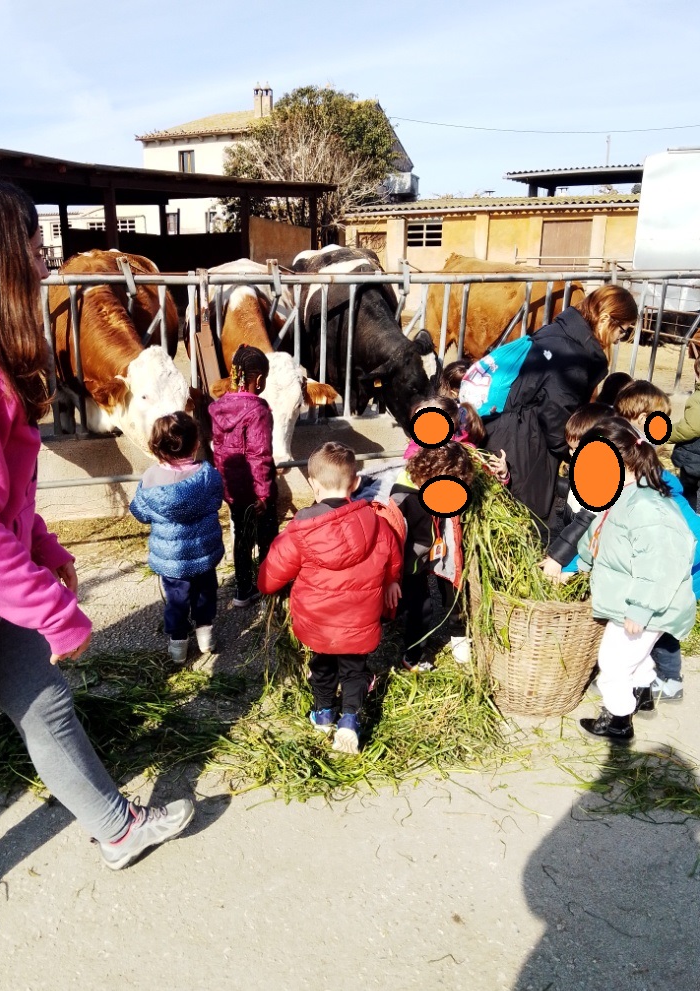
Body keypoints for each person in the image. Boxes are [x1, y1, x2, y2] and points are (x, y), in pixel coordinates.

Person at [0, 174, 194, 963]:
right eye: (32, 243)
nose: (46, 259)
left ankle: (116, 828)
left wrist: (46, 550)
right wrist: (53, 611)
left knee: (46, 703)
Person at [257, 442, 402, 754]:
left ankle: (323, 713)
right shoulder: (377, 524)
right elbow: (393, 556)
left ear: (313, 484)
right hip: (360, 621)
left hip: (318, 624)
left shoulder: (299, 531)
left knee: (322, 666)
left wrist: (266, 584)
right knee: (354, 670)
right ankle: (349, 719)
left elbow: (270, 578)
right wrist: (392, 581)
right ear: (355, 483)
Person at [576, 419, 696, 744]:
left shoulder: (647, 506)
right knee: (635, 655)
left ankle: (618, 721)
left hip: (647, 603)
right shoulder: (622, 495)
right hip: (632, 597)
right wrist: (580, 564)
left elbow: (662, 563)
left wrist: (641, 609)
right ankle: (642, 694)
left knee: (613, 662)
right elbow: (599, 535)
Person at [484, 285, 638, 529]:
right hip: (525, 444)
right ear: (606, 319)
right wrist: (576, 451)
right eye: (624, 330)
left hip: (507, 429)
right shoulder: (572, 355)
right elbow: (556, 416)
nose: (621, 338)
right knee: (525, 519)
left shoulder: (559, 332)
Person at [614, 379, 700, 701]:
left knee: (653, 620)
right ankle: (655, 677)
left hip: (680, 560)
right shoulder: (643, 460)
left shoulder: (645, 473)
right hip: (675, 557)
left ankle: (662, 680)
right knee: (654, 620)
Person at [130, 412, 224, 663]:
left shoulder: (150, 478)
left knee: (176, 599)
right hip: (203, 552)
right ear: (196, 444)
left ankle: (178, 646)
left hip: (171, 560)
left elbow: (140, 513)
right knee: (205, 593)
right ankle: (205, 637)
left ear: (155, 447)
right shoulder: (208, 475)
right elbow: (216, 501)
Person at [390, 443, 475, 671]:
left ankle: (412, 649)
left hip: (419, 563)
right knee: (417, 610)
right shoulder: (402, 500)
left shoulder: (428, 491)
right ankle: (412, 657)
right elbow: (390, 544)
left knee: (420, 608)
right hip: (404, 568)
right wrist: (392, 577)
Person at [209, 344, 278, 608]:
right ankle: (267, 586)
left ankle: (242, 590)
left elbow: (218, 450)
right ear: (259, 380)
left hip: (233, 490)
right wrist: (263, 494)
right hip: (255, 491)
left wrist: (225, 486)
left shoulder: (219, 408)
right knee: (266, 536)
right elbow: (259, 455)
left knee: (242, 536)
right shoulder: (258, 410)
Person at [542, 402, 614, 571]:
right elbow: (563, 516)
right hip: (569, 540)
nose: (571, 453)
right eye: (570, 448)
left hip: (583, 555)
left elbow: (583, 527)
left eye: (577, 449)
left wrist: (558, 558)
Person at [669, 356, 700, 514]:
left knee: (687, 493)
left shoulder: (697, 399)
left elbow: (691, 428)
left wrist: (666, 433)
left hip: (693, 459)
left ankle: (688, 518)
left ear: (697, 375)